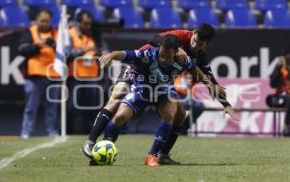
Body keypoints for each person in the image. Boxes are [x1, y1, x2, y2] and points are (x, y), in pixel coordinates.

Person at [82, 23, 235, 163]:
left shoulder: (198, 57)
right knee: (115, 99)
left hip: (161, 83)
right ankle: (91, 142)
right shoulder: (181, 36)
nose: (194, 45)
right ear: (193, 33)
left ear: (207, 45)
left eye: (200, 44)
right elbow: (154, 38)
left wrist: (225, 104)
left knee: (180, 115)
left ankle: (161, 155)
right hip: (139, 68)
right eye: (194, 41)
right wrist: (178, 48)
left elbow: (207, 79)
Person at [18, 9, 60, 139]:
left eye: (47, 21)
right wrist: (40, 44)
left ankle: (52, 132)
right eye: (42, 20)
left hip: (53, 74)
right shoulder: (29, 32)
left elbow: (63, 52)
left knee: (52, 108)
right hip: (35, 75)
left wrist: (53, 45)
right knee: (31, 107)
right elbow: (22, 50)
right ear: (36, 20)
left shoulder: (56, 33)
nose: (45, 23)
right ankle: (26, 132)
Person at [67, 10, 101, 134]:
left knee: (91, 106)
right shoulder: (70, 34)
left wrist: (101, 53)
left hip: (92, 76)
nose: (88, 26)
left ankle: (89, 132)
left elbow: (102, 49)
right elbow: (67, 54)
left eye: (89, 24)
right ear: (78, 22)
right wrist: (84, 49)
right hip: (75, 76)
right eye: (85, 24)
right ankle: (68, 131)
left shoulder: (92, 35)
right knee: (72, 106)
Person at [269, 48, 290, 136]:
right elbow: (273, 84)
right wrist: (278, 67)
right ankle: (286, 126)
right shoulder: (280, 68)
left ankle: (288, 129)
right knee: (269, 99)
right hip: (282, 98)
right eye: (289, 56)